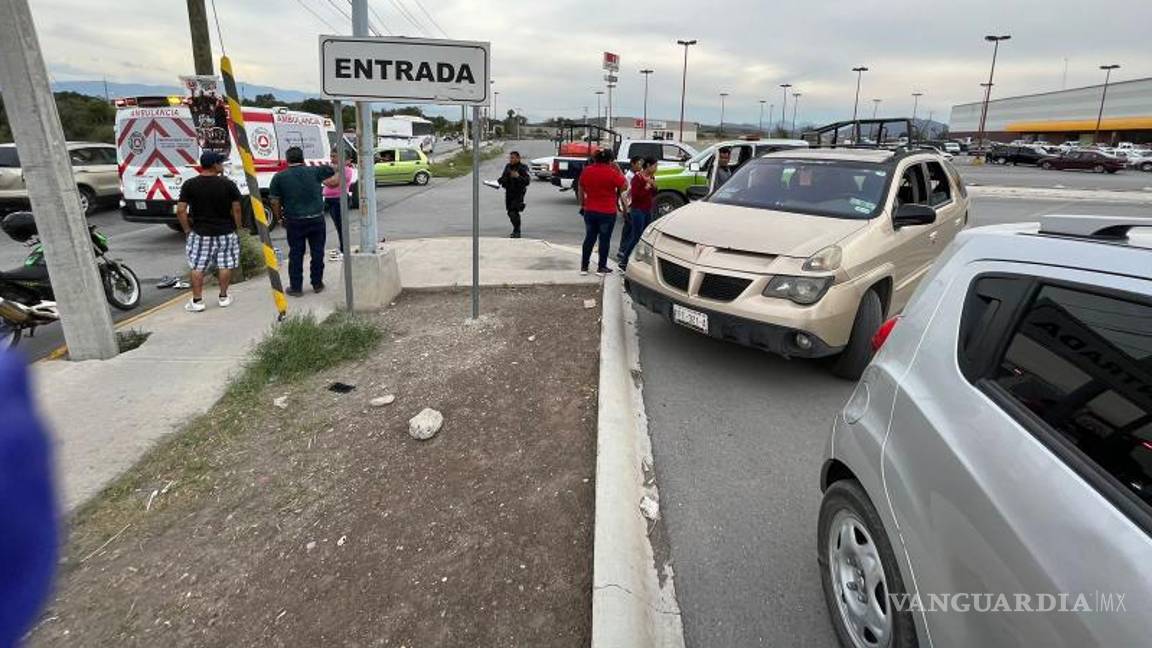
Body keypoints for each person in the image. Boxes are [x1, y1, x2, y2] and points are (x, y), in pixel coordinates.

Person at [176, 151, 243, 312]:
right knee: (225, 264)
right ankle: (223, 297)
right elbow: (237, 209)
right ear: (214, 165)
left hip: (200, 233)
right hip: (225, 232)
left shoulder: (190, 184)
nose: (222, 165)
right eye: (220, 162)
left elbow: (180, 210)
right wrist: (238, 227)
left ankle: (197, 301)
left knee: (197, 267)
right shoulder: (228, 184)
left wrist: (187, 230)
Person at [269, 146, 338, 296]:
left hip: (294, 221)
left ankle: (296, 287)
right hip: (317, 219)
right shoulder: (315, 171)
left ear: (287, 160)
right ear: (302, 159)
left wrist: (279, 217)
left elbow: (274, 201)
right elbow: (331, 170)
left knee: (296, 254)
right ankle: (317, 284)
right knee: (317, 252)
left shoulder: (279, 177)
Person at [577, 148, 627, 275]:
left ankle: (584, 267)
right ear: (610, 160)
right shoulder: (612, 172)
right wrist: (618, 169)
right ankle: (601, 267)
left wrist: (582, 204)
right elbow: (625, 186)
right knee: (604, 239)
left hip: (590, 210)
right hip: (607, 211)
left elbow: (581, 188)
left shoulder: (587, 171)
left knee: (589, 238)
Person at [620, 157, 657, 270]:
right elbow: (636, 196)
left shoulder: (651, 177)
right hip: (638, 210)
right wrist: (647, 186)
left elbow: (654, 193)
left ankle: (641, 259)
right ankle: (624, 262)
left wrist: (653, 186)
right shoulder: (637, 178)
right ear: (648, 166)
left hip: (647, 209)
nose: (656, 168)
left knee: (646, 236)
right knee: (636, 236)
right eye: (655, 166)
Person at [323, 148, 357, 261]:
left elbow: (333, 183)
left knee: (341, 226)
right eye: (331, 156)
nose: (332, 159)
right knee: (338, 226)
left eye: (334, 156)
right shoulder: (334, 169)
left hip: (339, 199)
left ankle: (344, 250)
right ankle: (342, 247)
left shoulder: (346, 170)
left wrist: (320, 177)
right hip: (330, 200)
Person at [497, 150, 530, 238]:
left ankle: (517, 231)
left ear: (518, 158)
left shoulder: (523, 167)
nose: (511, 160)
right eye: (510, 158)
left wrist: (518, 177)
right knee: (510, 212)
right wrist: (496, 182)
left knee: (513, 212)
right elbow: (503, 178)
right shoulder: (508, 167)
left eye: (513, 158)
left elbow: (527, 181)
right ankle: (515, 229)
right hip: (509, 192)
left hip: (518, 193)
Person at [616, 156, 643, 262]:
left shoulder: (636, 175)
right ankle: (622, 250)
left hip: (633, 206)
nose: (640, 166)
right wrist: (626, 209)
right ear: (633, 164)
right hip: (629, 206)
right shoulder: (629, 177)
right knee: (628, 229)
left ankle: (624, 250)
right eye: (639, 164)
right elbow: (624, 194)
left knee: (630, 229)